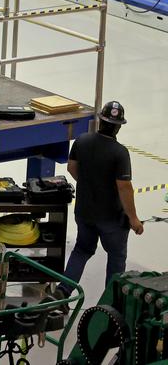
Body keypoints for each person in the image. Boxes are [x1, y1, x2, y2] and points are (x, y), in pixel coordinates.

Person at [60, 100, 143, 295]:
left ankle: (62, 292)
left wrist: (90, 184)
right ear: (118, 127)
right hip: (111, 219)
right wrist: (133, 218)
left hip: (85, 212)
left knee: (81, 250)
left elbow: (71, 167)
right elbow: (124, 187)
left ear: (100, 121)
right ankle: (111, 301)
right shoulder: (119, 152)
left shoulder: (82, 140)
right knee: (116, 256)